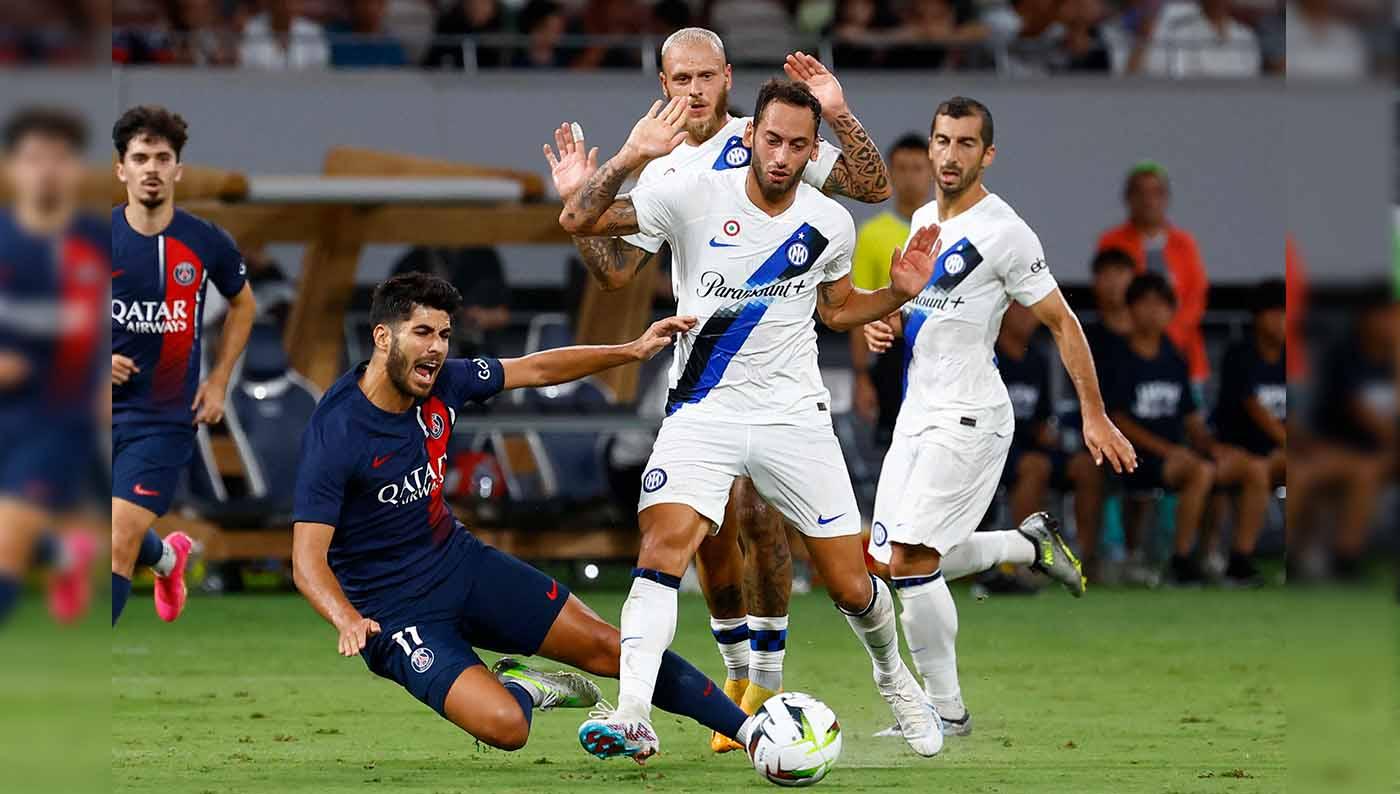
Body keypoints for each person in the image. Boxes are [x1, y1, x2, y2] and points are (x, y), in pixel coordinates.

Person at [553, 81, 948, 759]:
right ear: (749, 137)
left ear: (811, 149)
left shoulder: (829, 222)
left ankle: (896, 679)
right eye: (772, 140)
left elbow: (837, 309)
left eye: (799, 145)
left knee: (852, 586)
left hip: (792, 416)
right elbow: (580, 222)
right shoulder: (691, 195)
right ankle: (632, 714)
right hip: (701, 411)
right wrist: (623, 159)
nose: (783, 155)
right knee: (661, 550)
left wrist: (897, 295)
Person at [291, 271, 758, 756]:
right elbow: (307, 563)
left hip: (460, 565)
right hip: (393, 614)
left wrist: (632, 350)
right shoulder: (338, 433)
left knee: (611, 646)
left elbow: (536, 369)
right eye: (423, 333)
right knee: (507, 728)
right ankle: (526, 686)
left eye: (445, 335)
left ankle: (752, 735)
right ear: (383, 337)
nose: (436, 349)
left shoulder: (445, 383)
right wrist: (346, 619)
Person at [861, 96, 1134, 739]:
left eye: (964, 144)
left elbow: (1061, 322)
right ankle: (1027, 544)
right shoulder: (925, 216)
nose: (950, 155)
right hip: (916, 414)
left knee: (910, 558)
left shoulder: (1006, 232)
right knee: (888, 563)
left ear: (987, 155)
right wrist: (889, 321)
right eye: (941, 141)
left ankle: (946, 712)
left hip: (970, 416)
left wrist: (1093, 415)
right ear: (929, 148)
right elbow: (929, 305)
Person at [111, 105, 258, 625]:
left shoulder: (204, 241)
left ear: (177, 170)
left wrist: (218, 381)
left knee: (113, 542)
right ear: (121, 169)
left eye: (162, 157)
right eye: (140, 157)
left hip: (162, 420)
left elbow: (244, 304)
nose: (151, 167)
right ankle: (168, 558)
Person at [0, 107, 105, 625]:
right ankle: (62, 551)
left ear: (76, 169)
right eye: (34, 157)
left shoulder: (102, 245)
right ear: (12, 166)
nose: (46, 170)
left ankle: (51, 546)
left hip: (53, 423)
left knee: (4, 549)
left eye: (59, 158)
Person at [1105, 273, 1266, 585]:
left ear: (1171, 311)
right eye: (1145, 303)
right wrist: (1170, 451)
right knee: (1200, 472)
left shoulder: (1174, 358)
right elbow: (1118, 420)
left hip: (1176, 457)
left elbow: (1191, 417)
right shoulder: (1119, 358)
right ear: (1130, 309)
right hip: (1134, 456)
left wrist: (1211, 445)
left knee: (1252, 469)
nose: (1153, 311)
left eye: (1161, 304)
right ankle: (1179, 560)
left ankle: (1235, 559)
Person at [995, 303, 1104, 571]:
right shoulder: (988, 356)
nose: (1027, 317)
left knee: (1086, 466)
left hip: (1030, 446)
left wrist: (1055, 437)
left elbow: (1041, 420)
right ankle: (1028, 561)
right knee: (1035, 466)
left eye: (1031, 310)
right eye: (1019, 309)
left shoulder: (1037, 359)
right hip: (993, 448)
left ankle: (1084, 561)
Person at [1096, 161, 1210, 384]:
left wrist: (1167, 336)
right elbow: (1110, 296)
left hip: (1181, 351)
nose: (1148, 201)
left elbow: (1196, 298)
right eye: (1140, 192)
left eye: (1156, 193)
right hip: (1127, 353)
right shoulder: (1112, 241)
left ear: (1166, 198)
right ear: (1128, 198)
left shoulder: (1185, 244)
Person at [850, 133, 931, 442]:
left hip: (937, 346)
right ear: (890, 173)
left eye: (918, 168)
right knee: (895, 444)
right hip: (891, 353)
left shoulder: (946, 230)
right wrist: (861, 376)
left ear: (932, 172)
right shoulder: (871, 234)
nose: (910, 177)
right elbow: (859, 307)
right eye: (903, 168)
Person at [1209, 278, 1285, 585]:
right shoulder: (1241, 355)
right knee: (1257, 470)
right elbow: (1254, 407)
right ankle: (1239, 559)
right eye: (1275, 313)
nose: (1282, 322)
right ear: (1259, 317)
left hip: (1277, 454)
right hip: (1236, 451)